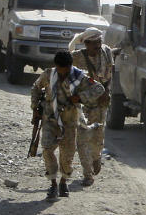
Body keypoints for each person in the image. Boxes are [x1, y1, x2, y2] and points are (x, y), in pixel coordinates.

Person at [31, 51, 105, 199]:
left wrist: (80, 97)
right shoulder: (49, 74)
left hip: (70, 121)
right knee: (47, 149)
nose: (61, 73)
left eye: (64, 69)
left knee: (67, 155)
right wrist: (35, 108)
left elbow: (99, 89)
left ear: (70, 66)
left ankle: (63, 181)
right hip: (50, 119)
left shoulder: (79, 77)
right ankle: (53, 183)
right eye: (59, 69)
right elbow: (36, 88)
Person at [70, 28, 114, 187]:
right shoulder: (77, 58)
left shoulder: (106, 52)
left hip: (101, 103)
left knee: (98, 135)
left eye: (99, 42)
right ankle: (87, 174)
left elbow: (110, 72)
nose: (98, 46)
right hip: (83, 104)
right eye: (94, 43)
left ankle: (96, 157)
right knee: (82, 138)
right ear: (86, 44)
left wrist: (106, 91)